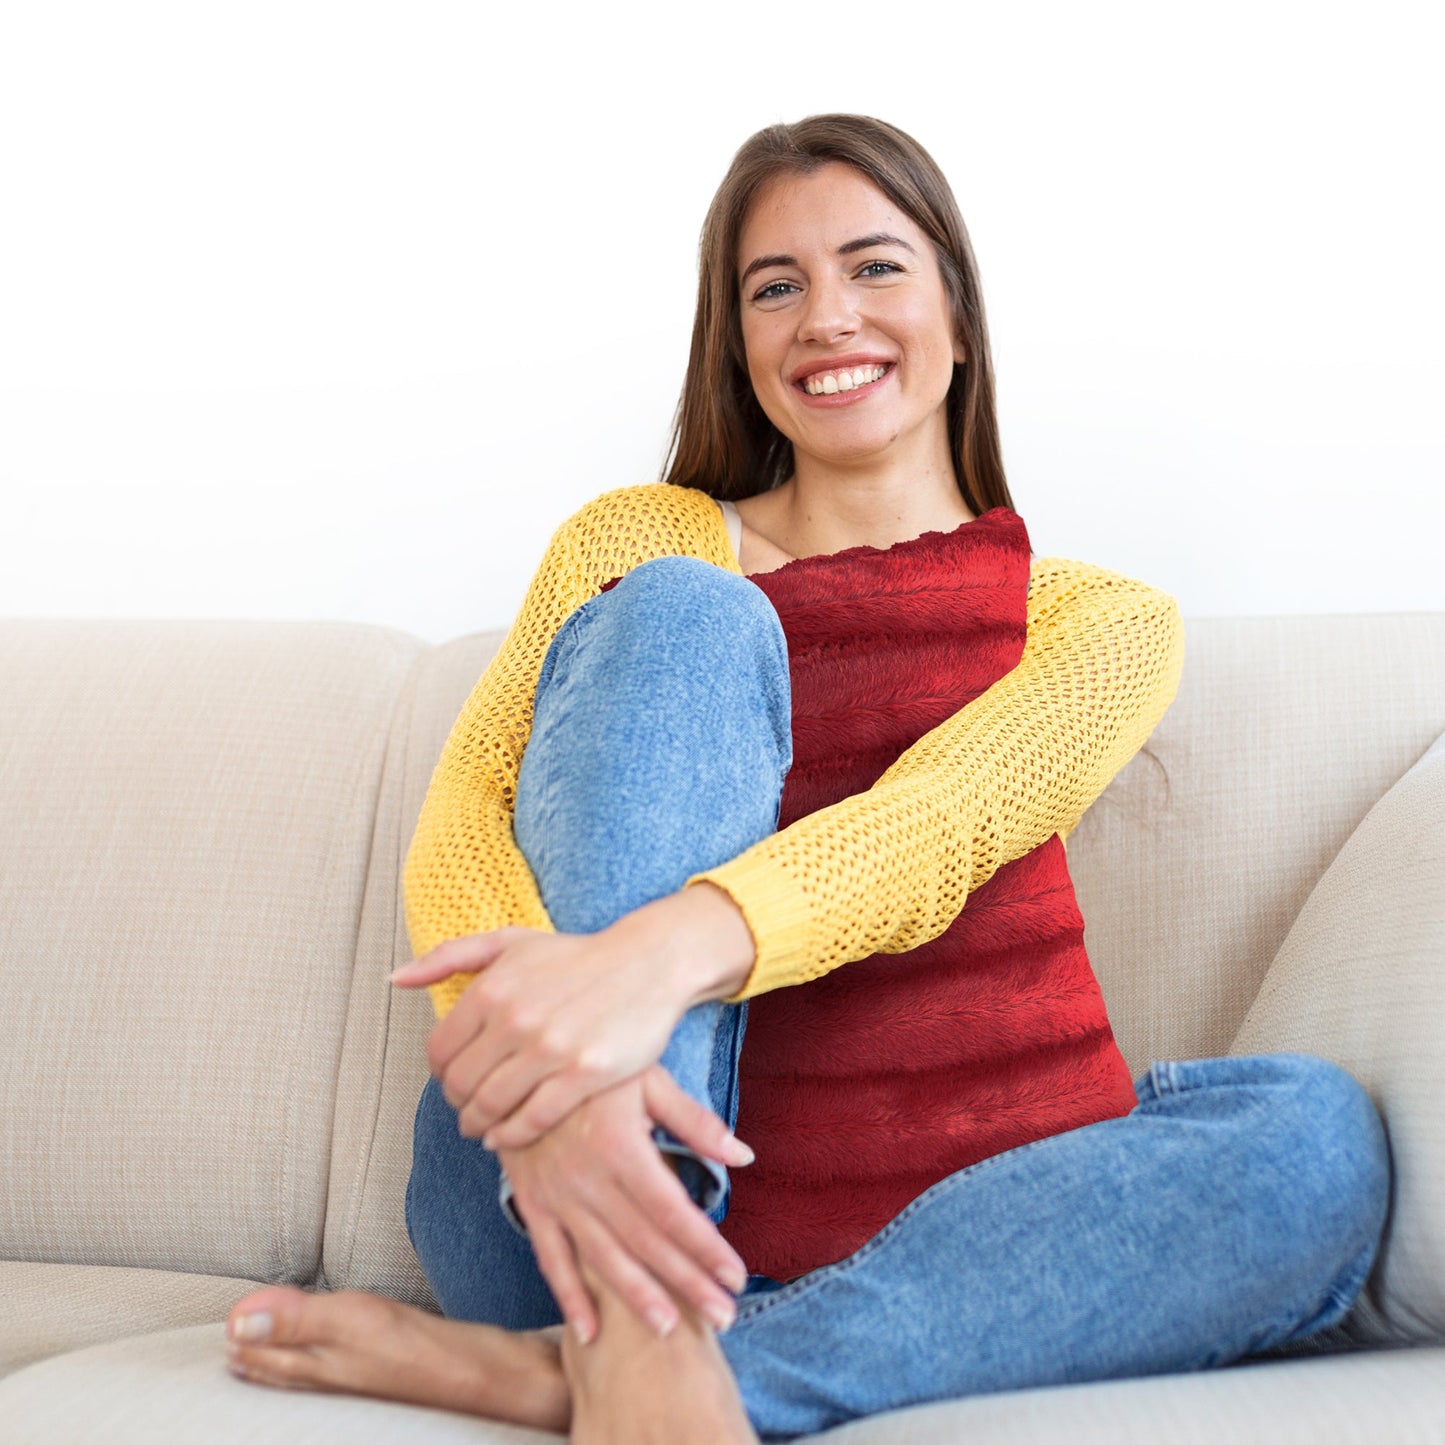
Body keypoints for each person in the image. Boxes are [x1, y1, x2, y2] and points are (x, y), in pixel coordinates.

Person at [223, 115, 1388, 1444]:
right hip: (556, 1189)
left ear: (959, 315)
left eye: (874, 267)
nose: (826, 317)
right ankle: (634, 1301)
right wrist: (563, 1064)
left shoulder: (1097, 622)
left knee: (1315, 1138)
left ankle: (576, 1376)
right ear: (737, 345)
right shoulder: (641, 541)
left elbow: (936, 824)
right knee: (687, 614)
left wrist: (657, 955)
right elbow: (463, 816)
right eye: (774, 287)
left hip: (968, 1238)